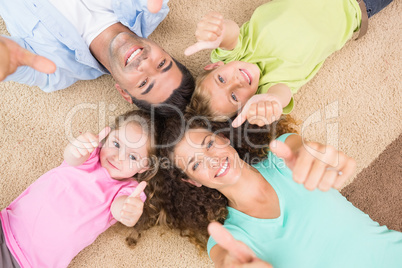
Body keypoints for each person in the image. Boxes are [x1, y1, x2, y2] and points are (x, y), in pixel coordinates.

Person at [158, 119, 402, 268]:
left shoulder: (283, 154)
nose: (211, 159)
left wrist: (313, 155)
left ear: (223, 138)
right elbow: (225, 259)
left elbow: (301, 149)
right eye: (196, 164)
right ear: (192, 181)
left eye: (209, 144)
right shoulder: (228, 236)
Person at [184, 0, 393, 126]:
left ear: (215, 66)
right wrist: (272, 102)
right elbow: (281, 95)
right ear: (245, 107)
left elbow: (230, 34)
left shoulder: (237, 53)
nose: (236, 81)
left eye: (221, 79)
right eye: (233, 96)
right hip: (359, 5)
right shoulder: (270, 86)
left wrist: (218, 32)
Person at [0, 109, 160, 268]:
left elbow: (119, 208)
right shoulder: (90, 156)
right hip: (7, 227)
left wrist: (128, 210)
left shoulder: (128, 190)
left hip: (30, 264)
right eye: (116, 144)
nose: (117, 157)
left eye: (132, 157)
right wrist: (78, 146)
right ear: (107, 136)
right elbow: (71, 156)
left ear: (144, 167)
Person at [0, 0, 194, 116]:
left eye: (144, 83)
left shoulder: (54, 71)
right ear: (164, 50)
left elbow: (9, 61)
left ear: (124, 93)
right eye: (161, 64)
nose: (144, 63)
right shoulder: (150, 6)